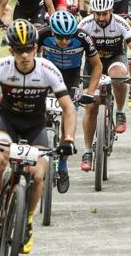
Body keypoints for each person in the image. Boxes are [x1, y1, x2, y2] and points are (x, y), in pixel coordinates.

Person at [0, 20, 77, 253]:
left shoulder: (48, 70)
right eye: (19, 50)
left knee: (38, 175)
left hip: (35, 126)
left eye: (29, 49)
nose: (25, 55)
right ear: (11, 51)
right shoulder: (2, 67)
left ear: (36, 48)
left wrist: (68, 139)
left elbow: (68, 107)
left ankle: (26, 222)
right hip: (7, 122)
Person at [78, 0, 131, 170]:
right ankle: (86, 151)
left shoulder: (120, 23)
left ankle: (120, 111)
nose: (101, 18)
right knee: (92, 106)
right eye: (97, 14)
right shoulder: (84, 24)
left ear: (111, 11)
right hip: (93, 64)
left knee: (118, 75)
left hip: (115, 58)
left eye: (105, 14)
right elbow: (74, 50)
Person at [37, 11, 103, 184]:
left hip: (71, 78)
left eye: (68, 37)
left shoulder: (83, 37)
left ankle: (63, 164)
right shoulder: (42, 34)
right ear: (52, 32)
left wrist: (90, 92)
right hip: (48, 76)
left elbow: (97, 66)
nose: (64, 41)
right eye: (60, 37)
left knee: (69, 115)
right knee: (40, 113)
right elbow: (30, 58)